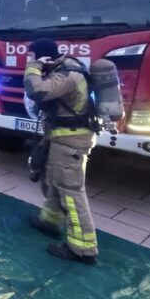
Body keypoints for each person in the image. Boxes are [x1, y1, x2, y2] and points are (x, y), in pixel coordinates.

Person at [24, 38, 98, 265]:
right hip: (61, 139)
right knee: (54, 182)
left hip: (70, 141)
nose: (30, 60)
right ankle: (50, 222)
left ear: (42, 55)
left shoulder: (68, 75)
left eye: (32, 56)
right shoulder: (63, 70)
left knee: (71, 193)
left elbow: (36, 90)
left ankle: (82, 249)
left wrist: (33, 67)